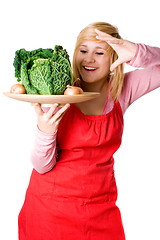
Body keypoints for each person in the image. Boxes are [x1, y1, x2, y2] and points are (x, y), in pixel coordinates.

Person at [18, 22, 160, 240]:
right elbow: (42, 165)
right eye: (83, 50)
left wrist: (136, 52)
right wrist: (45, 131)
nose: (89, 59)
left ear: (114, 57)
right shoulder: (59, 94)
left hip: (100, 209)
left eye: (99, 52)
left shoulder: (122, 90)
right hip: (51, 210)